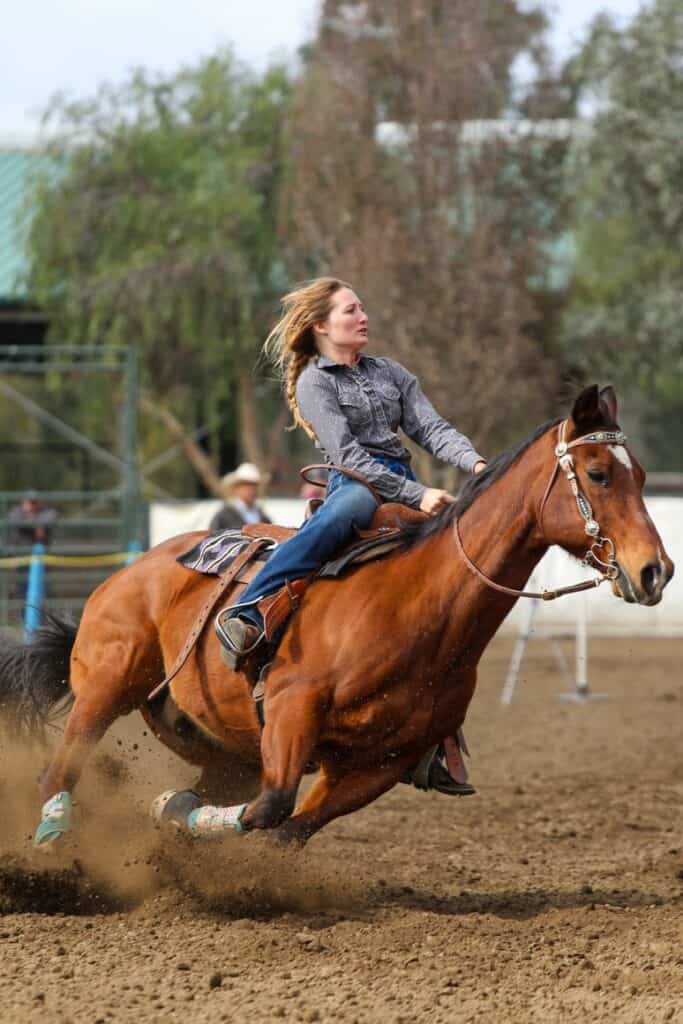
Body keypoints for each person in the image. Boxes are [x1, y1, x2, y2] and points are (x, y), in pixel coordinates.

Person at [221, 276, 487, 795]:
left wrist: (474, 462)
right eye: (351, 310)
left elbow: (432, 429)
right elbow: (348, 457)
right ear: (321, 325)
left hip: (402, 480)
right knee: (344, 515)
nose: (363, 316)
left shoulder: (392, 373)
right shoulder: (314, 383)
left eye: (362, 308)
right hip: (357, 480)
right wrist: (415, 495)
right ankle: (250, 610)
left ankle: (433, 732)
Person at [209, 463, 272, 532]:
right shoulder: (223, 516)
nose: (251, 490)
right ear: (236, 488)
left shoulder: (263, 517)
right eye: (246, 485)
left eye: (254, 486)